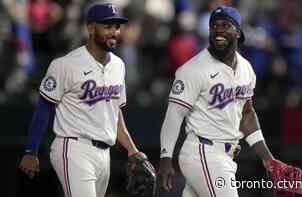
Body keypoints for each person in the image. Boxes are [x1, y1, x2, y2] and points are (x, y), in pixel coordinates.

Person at [18, 3, 153, 197]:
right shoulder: (66, 64)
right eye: (107, 26)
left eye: (116, 26)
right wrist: (31, 150)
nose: (114, 31)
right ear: (90, 28)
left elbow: (114, 113)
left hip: (104, 152)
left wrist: (132, 149)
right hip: (73, 147)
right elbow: (44, 107)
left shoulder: (118, 65)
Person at [158, 6, 277, 197]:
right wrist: (165, 158)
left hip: (226, 155)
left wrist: (267, 158)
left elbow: (246, 114)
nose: (218, 29)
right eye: (214, 25)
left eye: (225, 25)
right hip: (203, 153)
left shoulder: (246, 68)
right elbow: (174, 115)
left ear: (238, 32)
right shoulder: (192, 69)